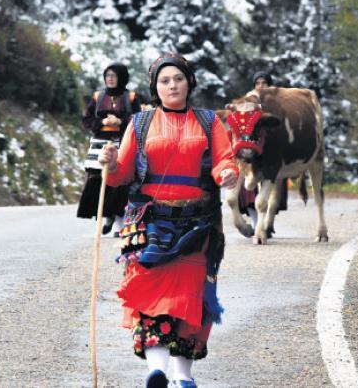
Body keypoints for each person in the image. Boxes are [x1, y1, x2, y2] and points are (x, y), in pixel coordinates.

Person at [98, 52, 238, 388]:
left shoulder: (209, 122)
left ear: (189, 82)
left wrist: (229, 173)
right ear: (155, 87)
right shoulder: (140, 124)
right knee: (150, 298)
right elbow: (121, 176)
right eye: (164, 80)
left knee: (190, 301)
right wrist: (111, 163)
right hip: (149, 224)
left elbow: (223, 161)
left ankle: (183, 376)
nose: (172, 85)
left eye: (177, 78)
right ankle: (156, 372)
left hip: (197, 225)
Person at [77, 63, 141, 235]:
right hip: (100, 143)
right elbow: (87, 119)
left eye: (114, 75)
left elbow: (139, 120)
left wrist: (121, 122)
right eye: (107, 76)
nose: (110, 79)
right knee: (98, 179)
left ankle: (120, 219)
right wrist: (103, 122)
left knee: (120, 181)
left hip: (123, 141)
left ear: (121, 77)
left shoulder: (132, 97)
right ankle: (107, 215)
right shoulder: (98, 96)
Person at [237, 71, 288, 231]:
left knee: (273, 183)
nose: (261, 86)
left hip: (271, 149)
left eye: (264, 83)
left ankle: (267, 221)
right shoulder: (246, 102)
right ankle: (255, 221)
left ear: (269, 85)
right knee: (247, 187)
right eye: (258, 83)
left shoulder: (277, 103)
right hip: (251, 150)